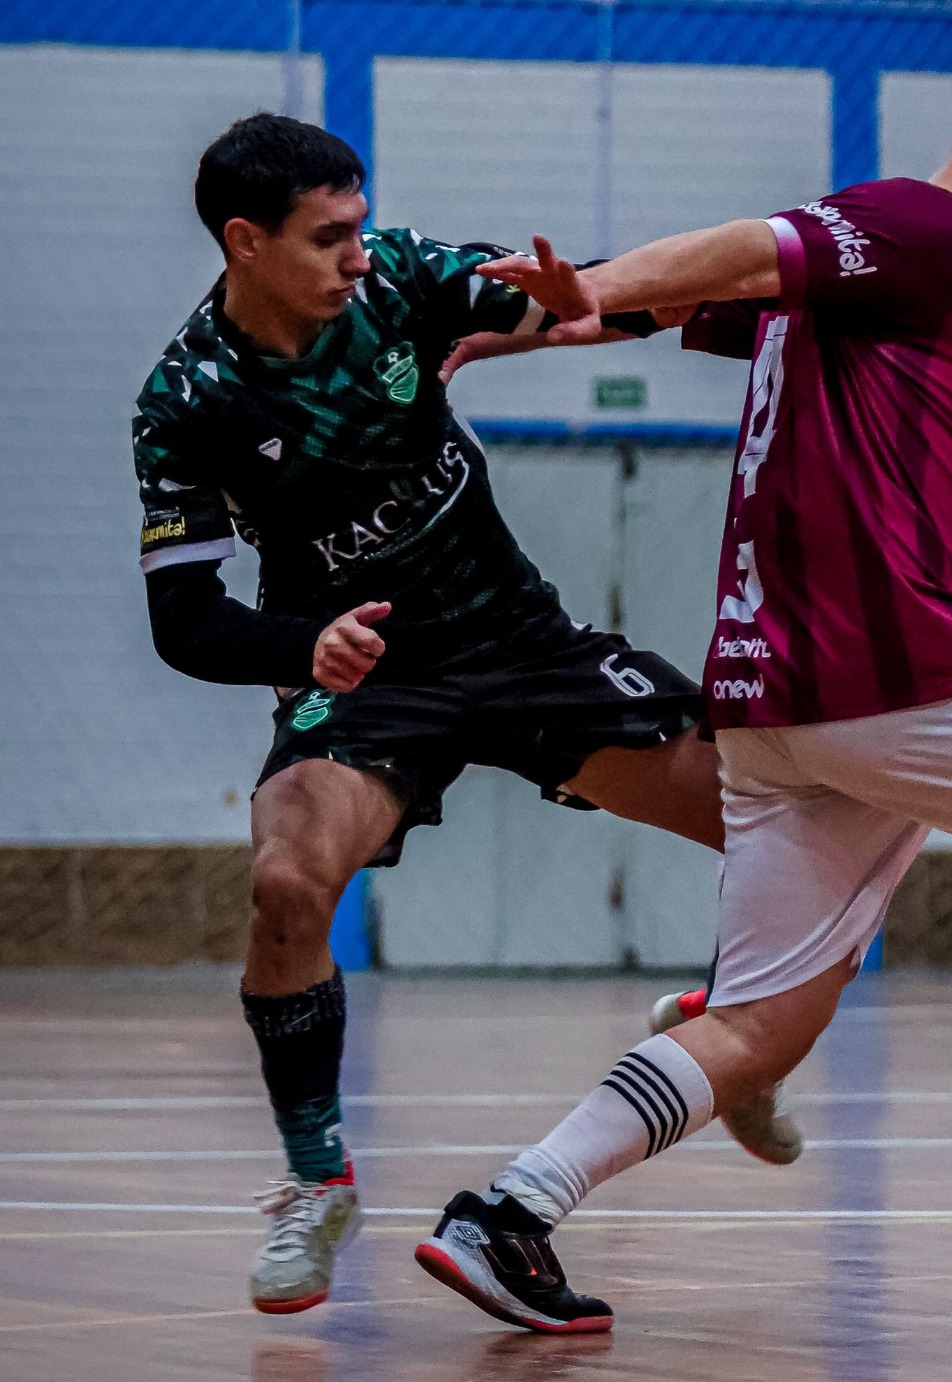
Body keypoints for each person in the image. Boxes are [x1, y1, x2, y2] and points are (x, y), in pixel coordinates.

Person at [415, 66, 952, 1334]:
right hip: (902, 666)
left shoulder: (867, 284)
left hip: (771, 710)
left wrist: (575, 317)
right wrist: (593, 289)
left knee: (759, 1026)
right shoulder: (928, 227)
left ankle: (509, 1212)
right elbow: (750, 242)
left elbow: (720, 286)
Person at [133, 113, 792, 1316]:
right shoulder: (188, 397)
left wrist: (600, 304)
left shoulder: (402, 279)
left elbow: (584, 303)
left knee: (781, 822)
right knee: (286, 884)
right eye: (327, 236)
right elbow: (184, 617)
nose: (356, 252)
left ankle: (727, 1028)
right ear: (245, 242)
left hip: (521, 643)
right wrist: (302, 645)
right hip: (369, 680)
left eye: (360, 224)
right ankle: (317, 1179)